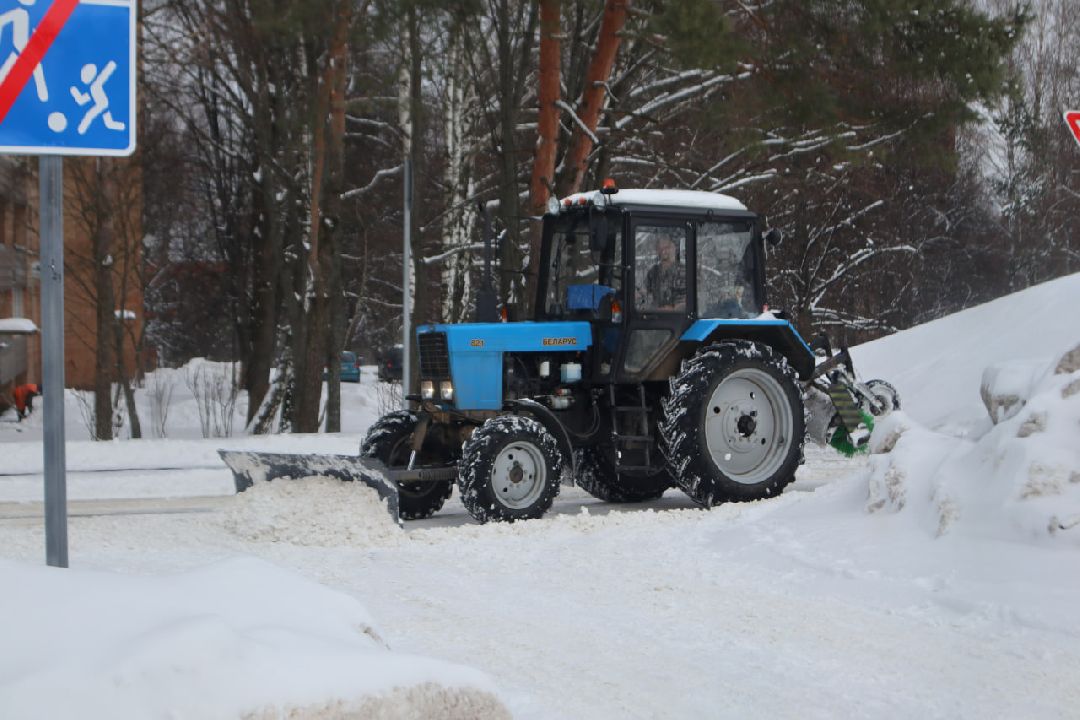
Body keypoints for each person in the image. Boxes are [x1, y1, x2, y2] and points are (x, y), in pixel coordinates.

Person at [644, 234, 685, 311]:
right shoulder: (653, 271)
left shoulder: (683, 272)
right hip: (654, 317)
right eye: (660, 248)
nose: (663, 251)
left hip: (677, 319)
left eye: (666, 247)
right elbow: (646, 290)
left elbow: (687, 301)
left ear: (674, 248)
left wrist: (673, 309)